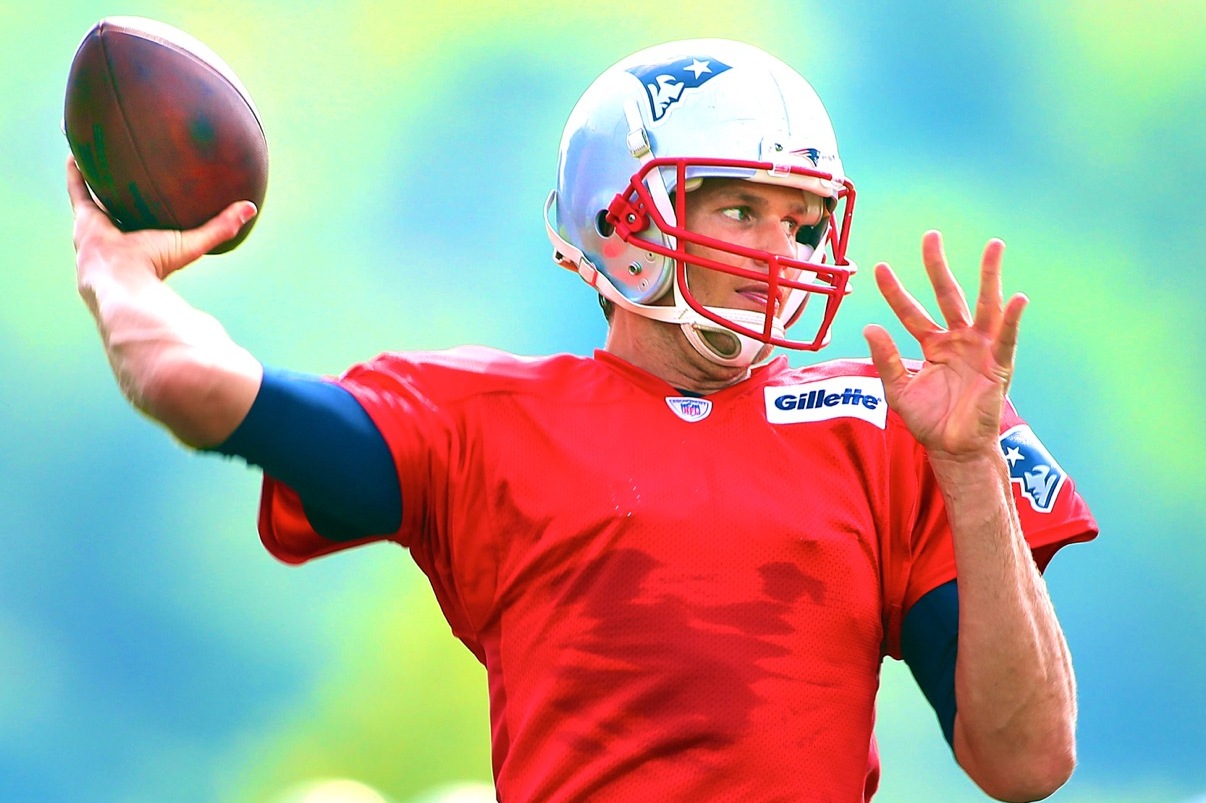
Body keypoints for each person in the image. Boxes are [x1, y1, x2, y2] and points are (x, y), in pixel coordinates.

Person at [69, 38, 1097, 803]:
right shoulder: (482, 421)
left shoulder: (889, 423)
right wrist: (116, 274)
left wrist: (970, 467)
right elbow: (196, 386)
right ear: (625, 219)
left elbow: (1026, 761)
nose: (780, 251)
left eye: (803, 221)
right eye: (738, 209)